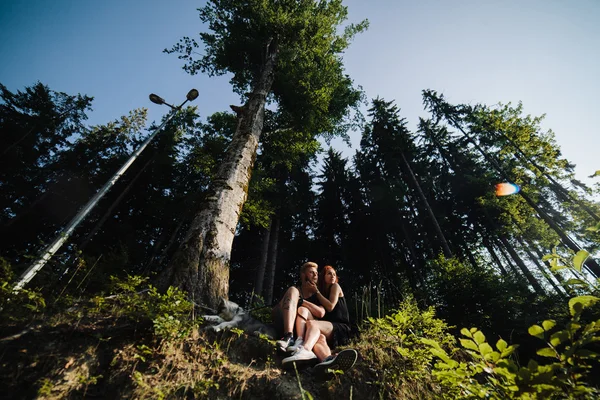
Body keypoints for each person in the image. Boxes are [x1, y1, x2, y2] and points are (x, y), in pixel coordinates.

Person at [282, 265, 358, 375]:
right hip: (328, 329)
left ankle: (305, 349)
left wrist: (316, 292)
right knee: (318, 338)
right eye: (329, 273)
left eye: (334, 274)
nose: (332, 276)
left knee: (313, 325)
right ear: (323, 277)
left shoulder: (335, 287)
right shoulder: (322, 294)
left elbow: (330, 306)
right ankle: (328, 361)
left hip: (341, 327)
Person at [272, 261, 325, 352]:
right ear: (303, 275)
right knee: (293, 290)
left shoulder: (318, 295)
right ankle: (288, 336)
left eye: (316, 273)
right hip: (285, 325)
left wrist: (301, 301)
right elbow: (277, 309)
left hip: (304, 330)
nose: (315, 275)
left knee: (303, 309)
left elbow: (321, 313)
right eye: (311, 272)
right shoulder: (294, 291)